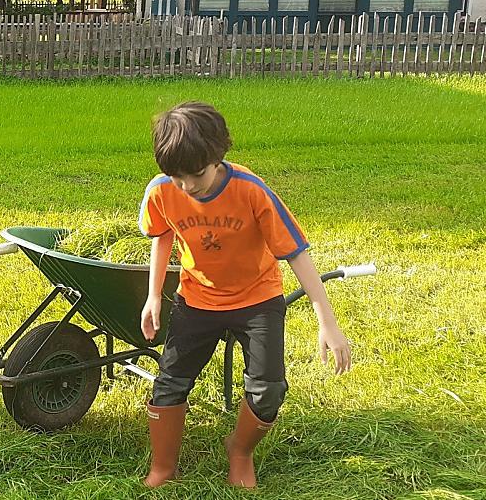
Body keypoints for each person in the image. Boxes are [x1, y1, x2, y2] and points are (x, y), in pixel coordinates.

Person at [138, 101, 351, 489]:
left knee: (268, 390)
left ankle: (239, 451)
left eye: (196, 174)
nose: (187, 186)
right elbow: (162, 233)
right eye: (176, 176)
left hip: (257, 300)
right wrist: (154, 295)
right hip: (197, 299)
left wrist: (328, 322)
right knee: (170, 382)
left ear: (218, 154)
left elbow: (296, 253)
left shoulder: (250, 191)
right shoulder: (162, 191)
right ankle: (163, 467)